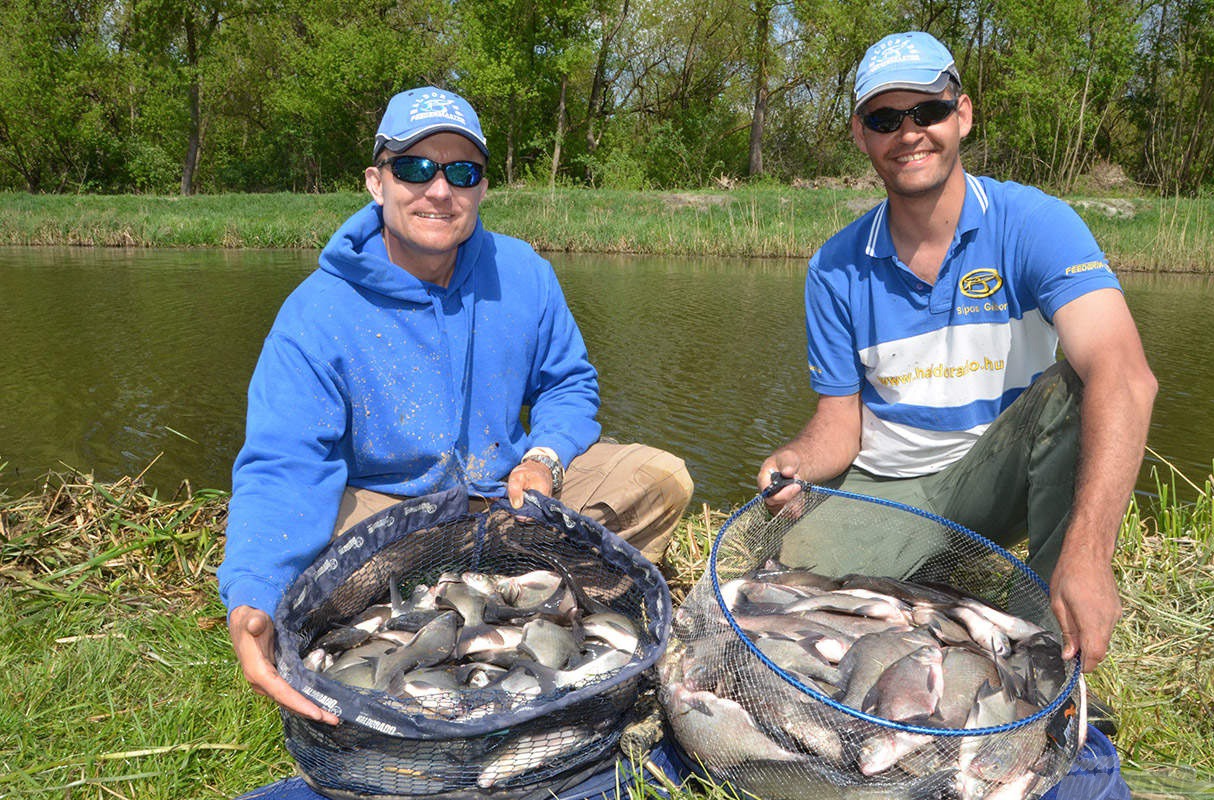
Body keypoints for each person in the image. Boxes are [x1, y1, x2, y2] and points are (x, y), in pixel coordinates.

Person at [218, 86, 694, 725]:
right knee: (309, 550)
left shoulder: (523, 274)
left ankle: (532, 601)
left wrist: (545, 459)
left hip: (507, 499)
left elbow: (569, 387)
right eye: (415, 168)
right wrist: (254, 593)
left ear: (481, 188)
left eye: (461, 172)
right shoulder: (315, 313)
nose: (438, 190)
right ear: (375, 181)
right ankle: (447, 610)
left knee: (662, 479)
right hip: (389, 517)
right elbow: (283, 462)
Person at [757, 32, 1158, 675]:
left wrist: (1091, 548)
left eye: (928, 111)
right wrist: (800, 459)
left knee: (1081, 385)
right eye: (885, 119)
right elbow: (839, 420)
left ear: (962, 114)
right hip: (892, 488)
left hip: (995, 474)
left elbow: (1127, 375)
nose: (909, 132)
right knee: (777, 598)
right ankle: (931, 578)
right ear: (862, 136)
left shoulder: (1034, 223)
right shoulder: (834, 268)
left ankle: (1046, 652)